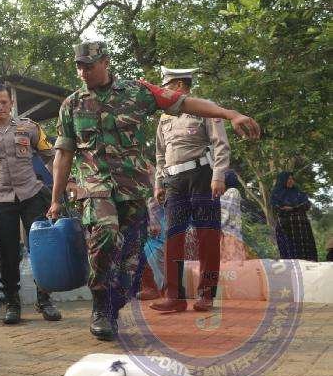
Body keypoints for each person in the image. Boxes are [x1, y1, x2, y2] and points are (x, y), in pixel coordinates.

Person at [48, 41, 260, 340]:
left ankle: (114, 305)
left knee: (131, 257)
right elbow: (64, 154)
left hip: (133, 187)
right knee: (105, 234)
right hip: (94, 185)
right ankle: (101, 304)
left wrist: (230, 113)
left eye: (89, 66)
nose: (83, 72)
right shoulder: (71, 105)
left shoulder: (137, 92)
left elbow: (184, 103)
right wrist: (56, 199)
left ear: (105, 62)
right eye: (79, 67)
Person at [0, 83, 62, 325]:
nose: (0, 107)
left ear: (11, 103)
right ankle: (12, 302)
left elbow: (51, 157)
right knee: (9, 253)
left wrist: (63, 186)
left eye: (4, 102)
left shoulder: (29, 127)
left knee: (40, 248)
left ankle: (45, 299)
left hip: (32, 195)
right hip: (1, 200)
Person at [149, 67, 231, 313]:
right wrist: (158, 182)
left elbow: (220, 144)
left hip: (202, 176)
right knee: (173, 237)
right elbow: (160, 153)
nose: (163, 91)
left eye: (166, 87)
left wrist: (218, 176)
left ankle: (206, 294)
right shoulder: (164, 117)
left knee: (207, 236)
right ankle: (174, 296)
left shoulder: (205, 107)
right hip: (174, 181)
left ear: (179, 86)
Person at [271, 171, 318, 261]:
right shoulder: (276, 193)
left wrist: (292, 208)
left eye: (292, 179)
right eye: (288, 179)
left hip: (302, 228)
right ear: (282, 180)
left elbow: (307, 204)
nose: (291, 181)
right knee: (289, 253)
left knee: (306, 252)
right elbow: (276, 207)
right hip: (286, 228)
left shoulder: (299, 192)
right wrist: (294, 208)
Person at [220, 170, 245, 262]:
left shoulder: (233, 191)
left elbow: (225, 209)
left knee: (233, 262)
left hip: (231, 233)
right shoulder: (228, 192)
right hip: (226, 232)